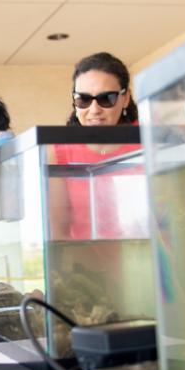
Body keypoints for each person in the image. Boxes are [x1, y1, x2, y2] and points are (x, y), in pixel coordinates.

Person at [50, 52, 143, 241]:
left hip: (148, 259)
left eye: (106, 98)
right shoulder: (60, 150)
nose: (94, 110)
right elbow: (59, 230)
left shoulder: (147, 140)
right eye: (83, 99)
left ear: (126, 98)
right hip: (87, 265)